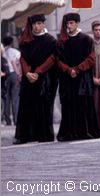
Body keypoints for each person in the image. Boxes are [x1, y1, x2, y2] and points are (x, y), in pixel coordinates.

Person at [14, 14, 58, 144]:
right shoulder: (27, 39)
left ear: (43, 24)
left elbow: (52, 58)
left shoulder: (50, 40)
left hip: (44, 77)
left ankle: (43, 135)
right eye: (34, 24)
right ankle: (25, 136)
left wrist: (38, 72)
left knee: (43, 106)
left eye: (39, 24)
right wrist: (27, 72)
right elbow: (22, 58)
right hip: (29, 77)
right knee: (26, 104)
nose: (37, 26)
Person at [56, 13, 100, 141]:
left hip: (82, 79)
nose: (69, 26)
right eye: (67, 23)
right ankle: (69, 132)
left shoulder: (86, 39)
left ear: (77, 23)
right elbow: (57, 60)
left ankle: (84, 131)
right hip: (67, 78)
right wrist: (69, 70)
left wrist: (78, 69)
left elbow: (91, 58)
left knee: (83, 105)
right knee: (68, 105)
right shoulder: (62, 41)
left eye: (71, 23)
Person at [2, 35, 21, 126]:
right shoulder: (15, 52)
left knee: (6, 98)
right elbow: (17, 63)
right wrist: (19, 74)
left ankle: (7, 119)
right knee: (15, 98)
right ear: (12, 42)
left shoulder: (2, 52)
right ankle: (16, 119)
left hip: (5, 75)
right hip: (14, 74)